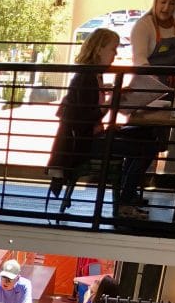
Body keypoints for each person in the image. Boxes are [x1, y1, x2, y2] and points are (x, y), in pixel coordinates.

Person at [47, 28, 160, 222]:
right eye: (112, 49)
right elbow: (85, 118)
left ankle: (127, 195)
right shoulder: (85, 77)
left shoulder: (93, 75)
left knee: (146, 135)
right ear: (99, 49)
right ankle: (125, 201)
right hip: (87, 143)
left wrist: (108, 94)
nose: (115, 54)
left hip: (93, 136)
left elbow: (89, 108)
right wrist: (111, 101)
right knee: (147, 147)